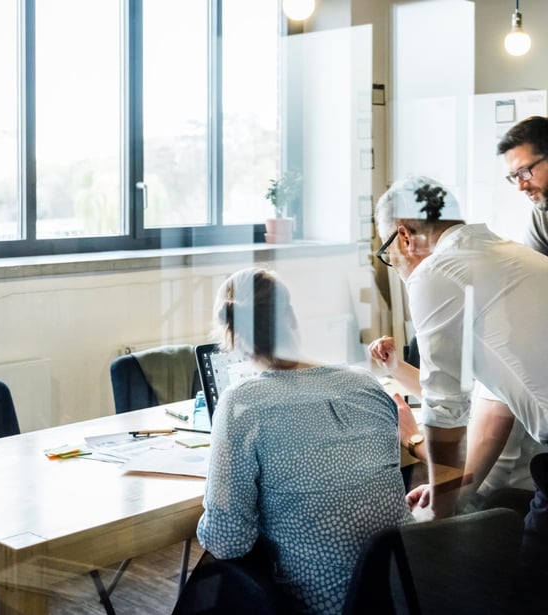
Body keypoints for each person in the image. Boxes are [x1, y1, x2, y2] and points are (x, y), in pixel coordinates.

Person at [196, 267, 413, 614]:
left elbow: (227, 541)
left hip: (324, 605)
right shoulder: (365, 384)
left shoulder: (242, 403)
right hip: (409, 593)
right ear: (294, 319)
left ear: (231, 336)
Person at [373, 175, 548, 520]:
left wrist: (440, 518)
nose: (393, 264)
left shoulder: (434, 273)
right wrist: (453, 490)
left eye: (386, 252)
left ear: (404, 236)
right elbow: (496, 404)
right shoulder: (512, 255)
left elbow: (444, 413)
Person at [368, 335, 544, 507]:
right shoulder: (501, 347)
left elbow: (479, 473)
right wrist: (395, 367)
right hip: (489, 491)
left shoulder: (506, 362)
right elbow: (455, 402)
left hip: (499, 502)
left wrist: (414, 440)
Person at [497, 115, 548, 255]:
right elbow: (533, 270)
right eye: (515, 176)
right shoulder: (543, 214)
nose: (521, 186)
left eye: (524, 172)